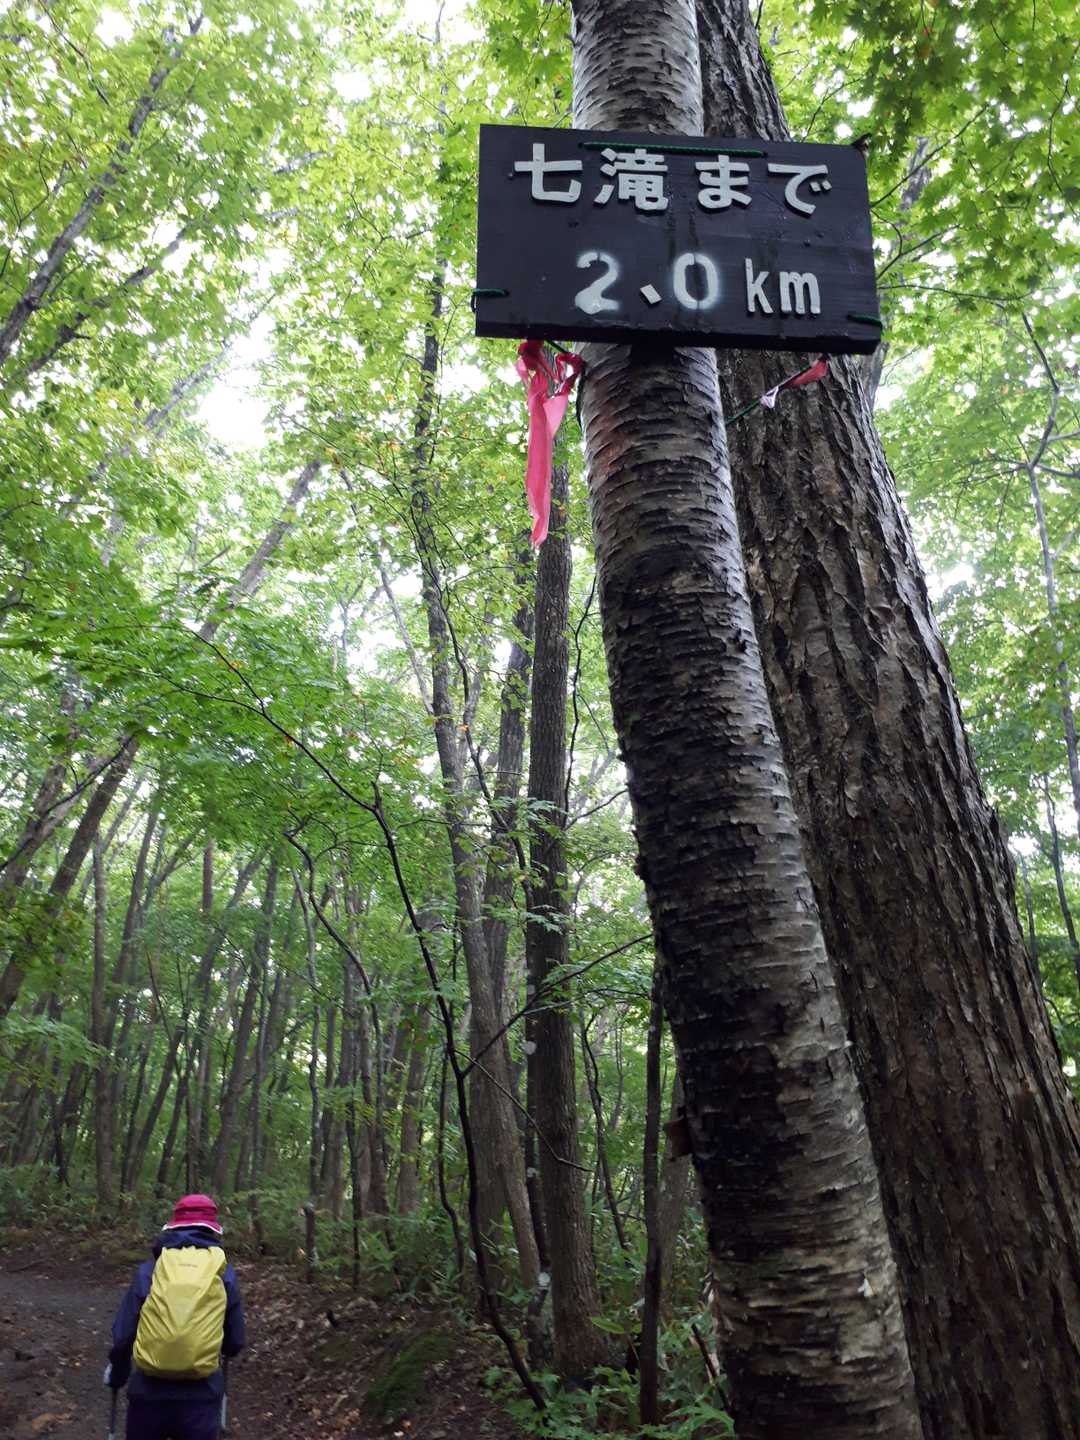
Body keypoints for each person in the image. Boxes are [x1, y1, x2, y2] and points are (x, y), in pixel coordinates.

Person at [106, 1194, 245, 1440]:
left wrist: (118, 1375)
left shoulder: (150, 1271)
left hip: (148, 1394)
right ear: (213, 1230)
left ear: (173, 1227)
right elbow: (235, 1342)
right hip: (201, 1396)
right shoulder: (223, 1274)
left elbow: (123, 1335)